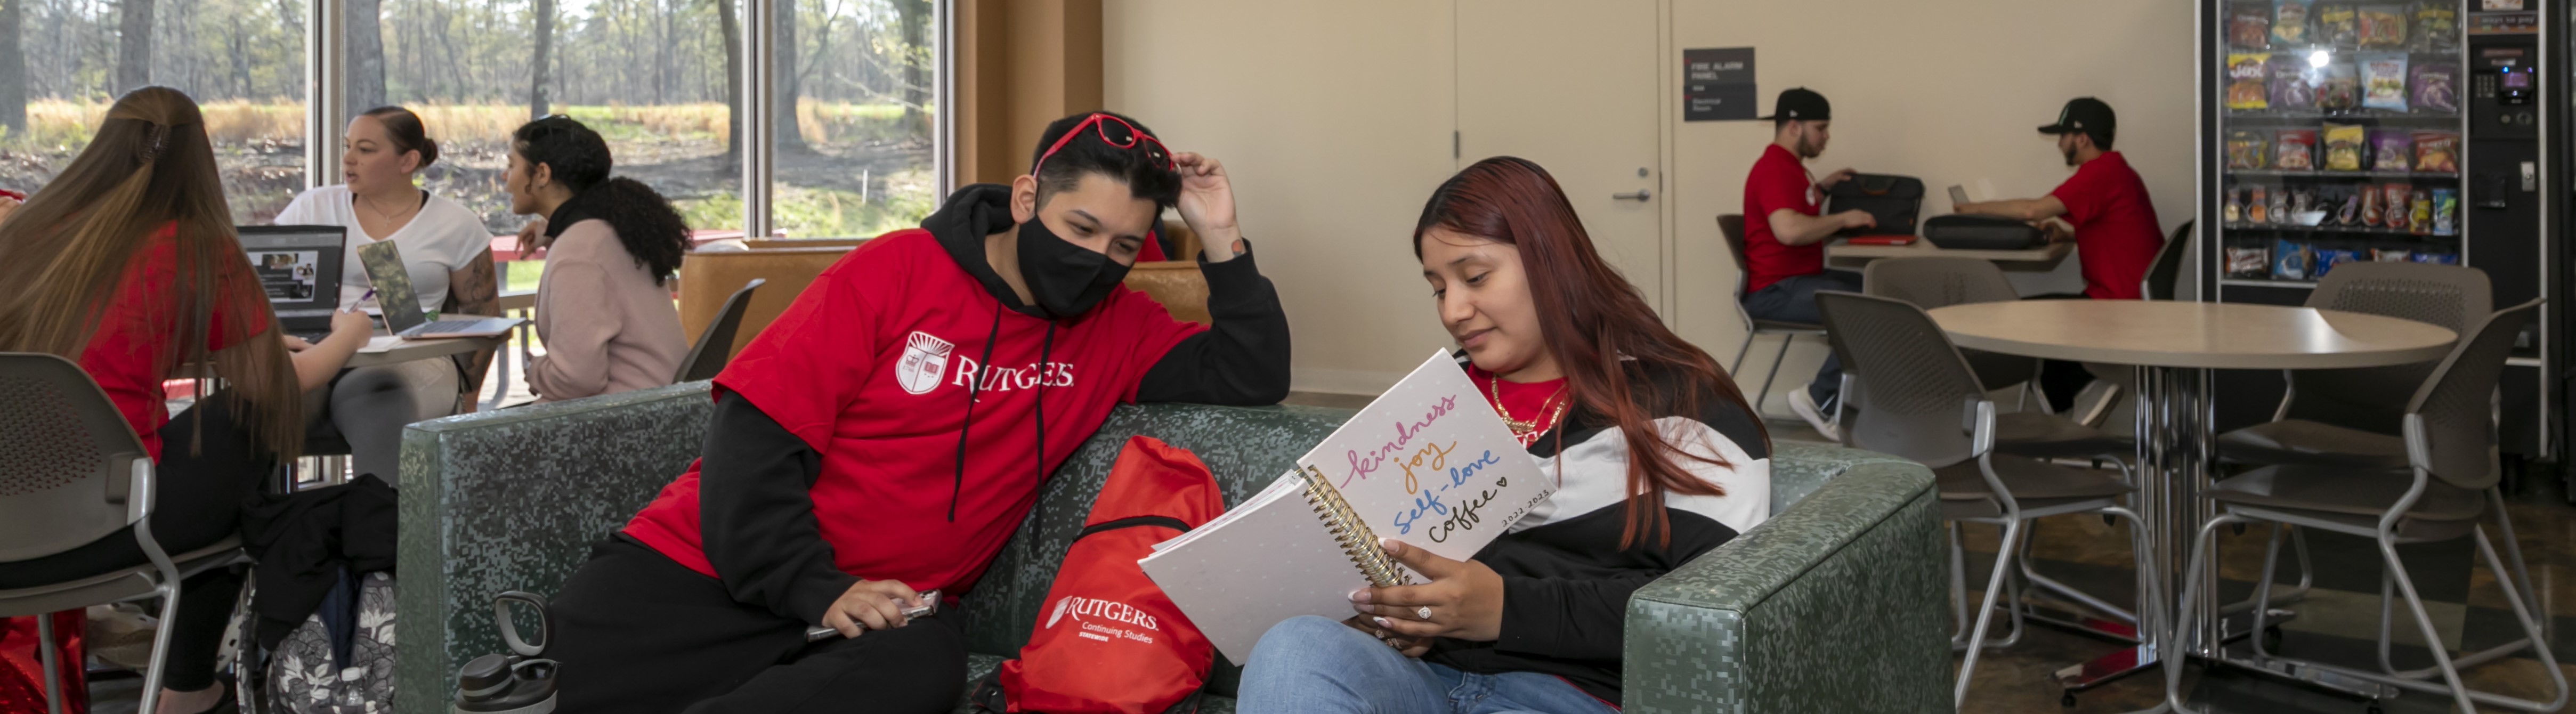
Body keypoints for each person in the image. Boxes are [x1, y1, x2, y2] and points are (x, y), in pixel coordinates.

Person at [541, 110, 1292, 713]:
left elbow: (1252, 374)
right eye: (1080, 230)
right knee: (547, 686)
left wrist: (1221, 237)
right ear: (1027, 199)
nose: (1097, 259)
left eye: (1124, 245)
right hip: (703, 571)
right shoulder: (896, 270)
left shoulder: (1118, 327)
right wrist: (816, 588)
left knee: (922, 665)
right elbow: (754, 433)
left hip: (880, 622)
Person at [1236, 157, 1771, 713]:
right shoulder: (1433, 409)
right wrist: (1403, 618)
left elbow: (1718, 610)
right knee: (1291, 647)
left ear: (1551, 260)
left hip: (1571, 695)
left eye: (1474, 277)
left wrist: (1505, 609)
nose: (1453, 309)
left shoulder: (1682, 402)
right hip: (1423, 675)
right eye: (1437, 288)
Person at [0, 86, 371, 714]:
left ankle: (187, 684)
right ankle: (189, 685)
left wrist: (212, 336)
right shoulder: (195, 245)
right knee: (245, 423)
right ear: (200, 161)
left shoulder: (25, 231)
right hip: (104, 527)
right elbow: (279, 385)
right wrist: (350, 334)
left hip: (11, 525)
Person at [274, 106, 498, 478]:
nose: (348, 159)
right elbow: (264, 282)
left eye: (365, 149)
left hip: (410, 356)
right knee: (255, 405)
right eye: (348, 147)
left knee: (379, 401)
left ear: (407, 160)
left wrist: (469, 399)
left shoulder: (455, 223)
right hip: (317, 348)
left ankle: (378, 530)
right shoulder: (313, 206)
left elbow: (483, 313)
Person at [1954, 97, 2164, 409]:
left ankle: (2085, 393)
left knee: (2022, 316)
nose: (2059, 145)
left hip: (2118, 307)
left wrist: (1973, 209)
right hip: (2130, 300)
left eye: (2063, 136)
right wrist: (2067, 234)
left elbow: (2033, 210)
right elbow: (2113, 227)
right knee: (2038, 315)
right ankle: (2077, 397)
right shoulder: (2117, 170)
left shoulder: (2099, 173)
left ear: (2082, 138)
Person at [500, 117, 688, 402]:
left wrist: (534, 369)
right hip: (656, 406)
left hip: (624, 421)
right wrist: (551, 233)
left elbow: (575, 379)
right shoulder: (605, 231)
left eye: (511, 165)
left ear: (541, 174)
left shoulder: (578, 253)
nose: (505, 176)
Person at [1738, 87, 1872, 441]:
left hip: (1797, 280)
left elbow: (1796, 211)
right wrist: (1843, 219)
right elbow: (1789, 230)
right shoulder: (1774, 169)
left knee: (1878, 291)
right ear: (1794, 127)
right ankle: (1818, 397)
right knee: (1867, 310)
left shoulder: (1793, 170)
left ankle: (1849, 402)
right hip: (1775, 291)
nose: (1826, 137)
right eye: (1821, 128)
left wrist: (1824, 189)